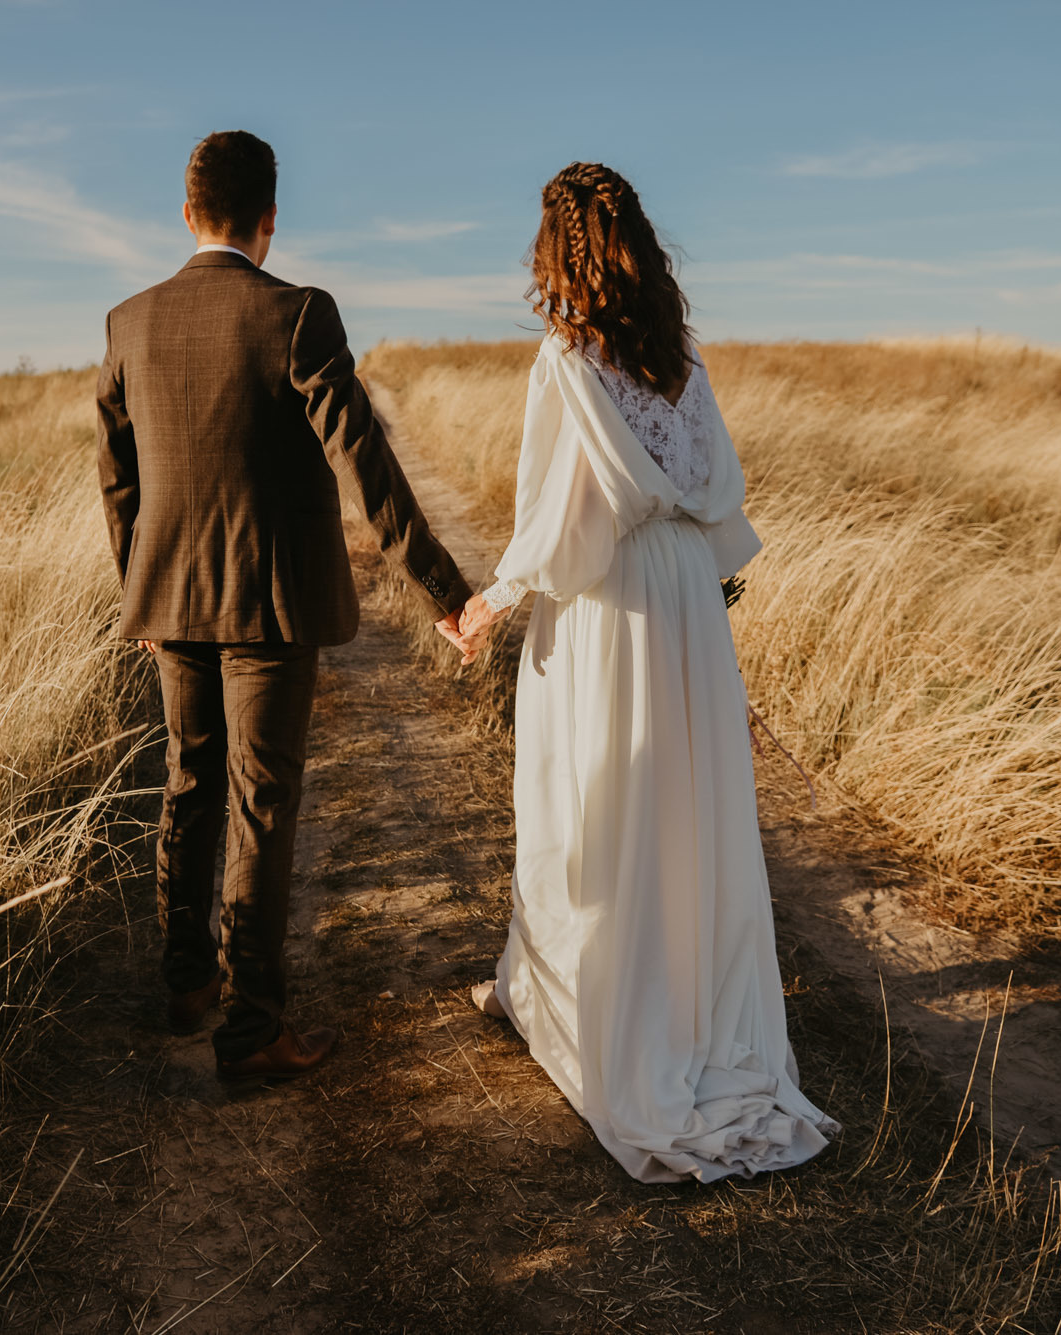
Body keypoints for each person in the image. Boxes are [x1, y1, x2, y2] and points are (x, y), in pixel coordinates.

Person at [454, 162, 837, 1182]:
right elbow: (716, 494)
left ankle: (611, 1023)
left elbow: (557, 523)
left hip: (613, 602)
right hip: (681, 599)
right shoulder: (681, 360)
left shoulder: (564, 363)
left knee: (598, 802)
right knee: (686, 808)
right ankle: (698, 1024)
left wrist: (493, 601)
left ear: (556, 248)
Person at [95, 130, 473, 1090]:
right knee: (260, 804)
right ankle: (252, 1027)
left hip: (169, 597)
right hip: (269, 608)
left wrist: (136, 587)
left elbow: (118, 475)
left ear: (187, 214)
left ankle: (186, 986)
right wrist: (444, 588)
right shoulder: (298, 313)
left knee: (189, 787)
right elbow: (363, 459)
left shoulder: (128, 321)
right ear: (270, 218)